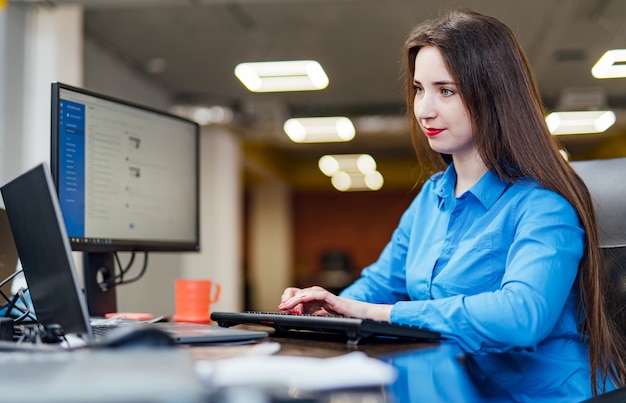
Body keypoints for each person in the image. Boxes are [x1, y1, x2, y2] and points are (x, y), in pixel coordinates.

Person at [278, 9, 626, 401]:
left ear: (493, 95)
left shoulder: (543, 204)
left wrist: (377, 313)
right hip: (462, 389)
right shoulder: (432, 197)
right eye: (419, 89)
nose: (424, 109)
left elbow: (521, 316)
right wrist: (327, 308)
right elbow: (379, 286)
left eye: (446, 90)